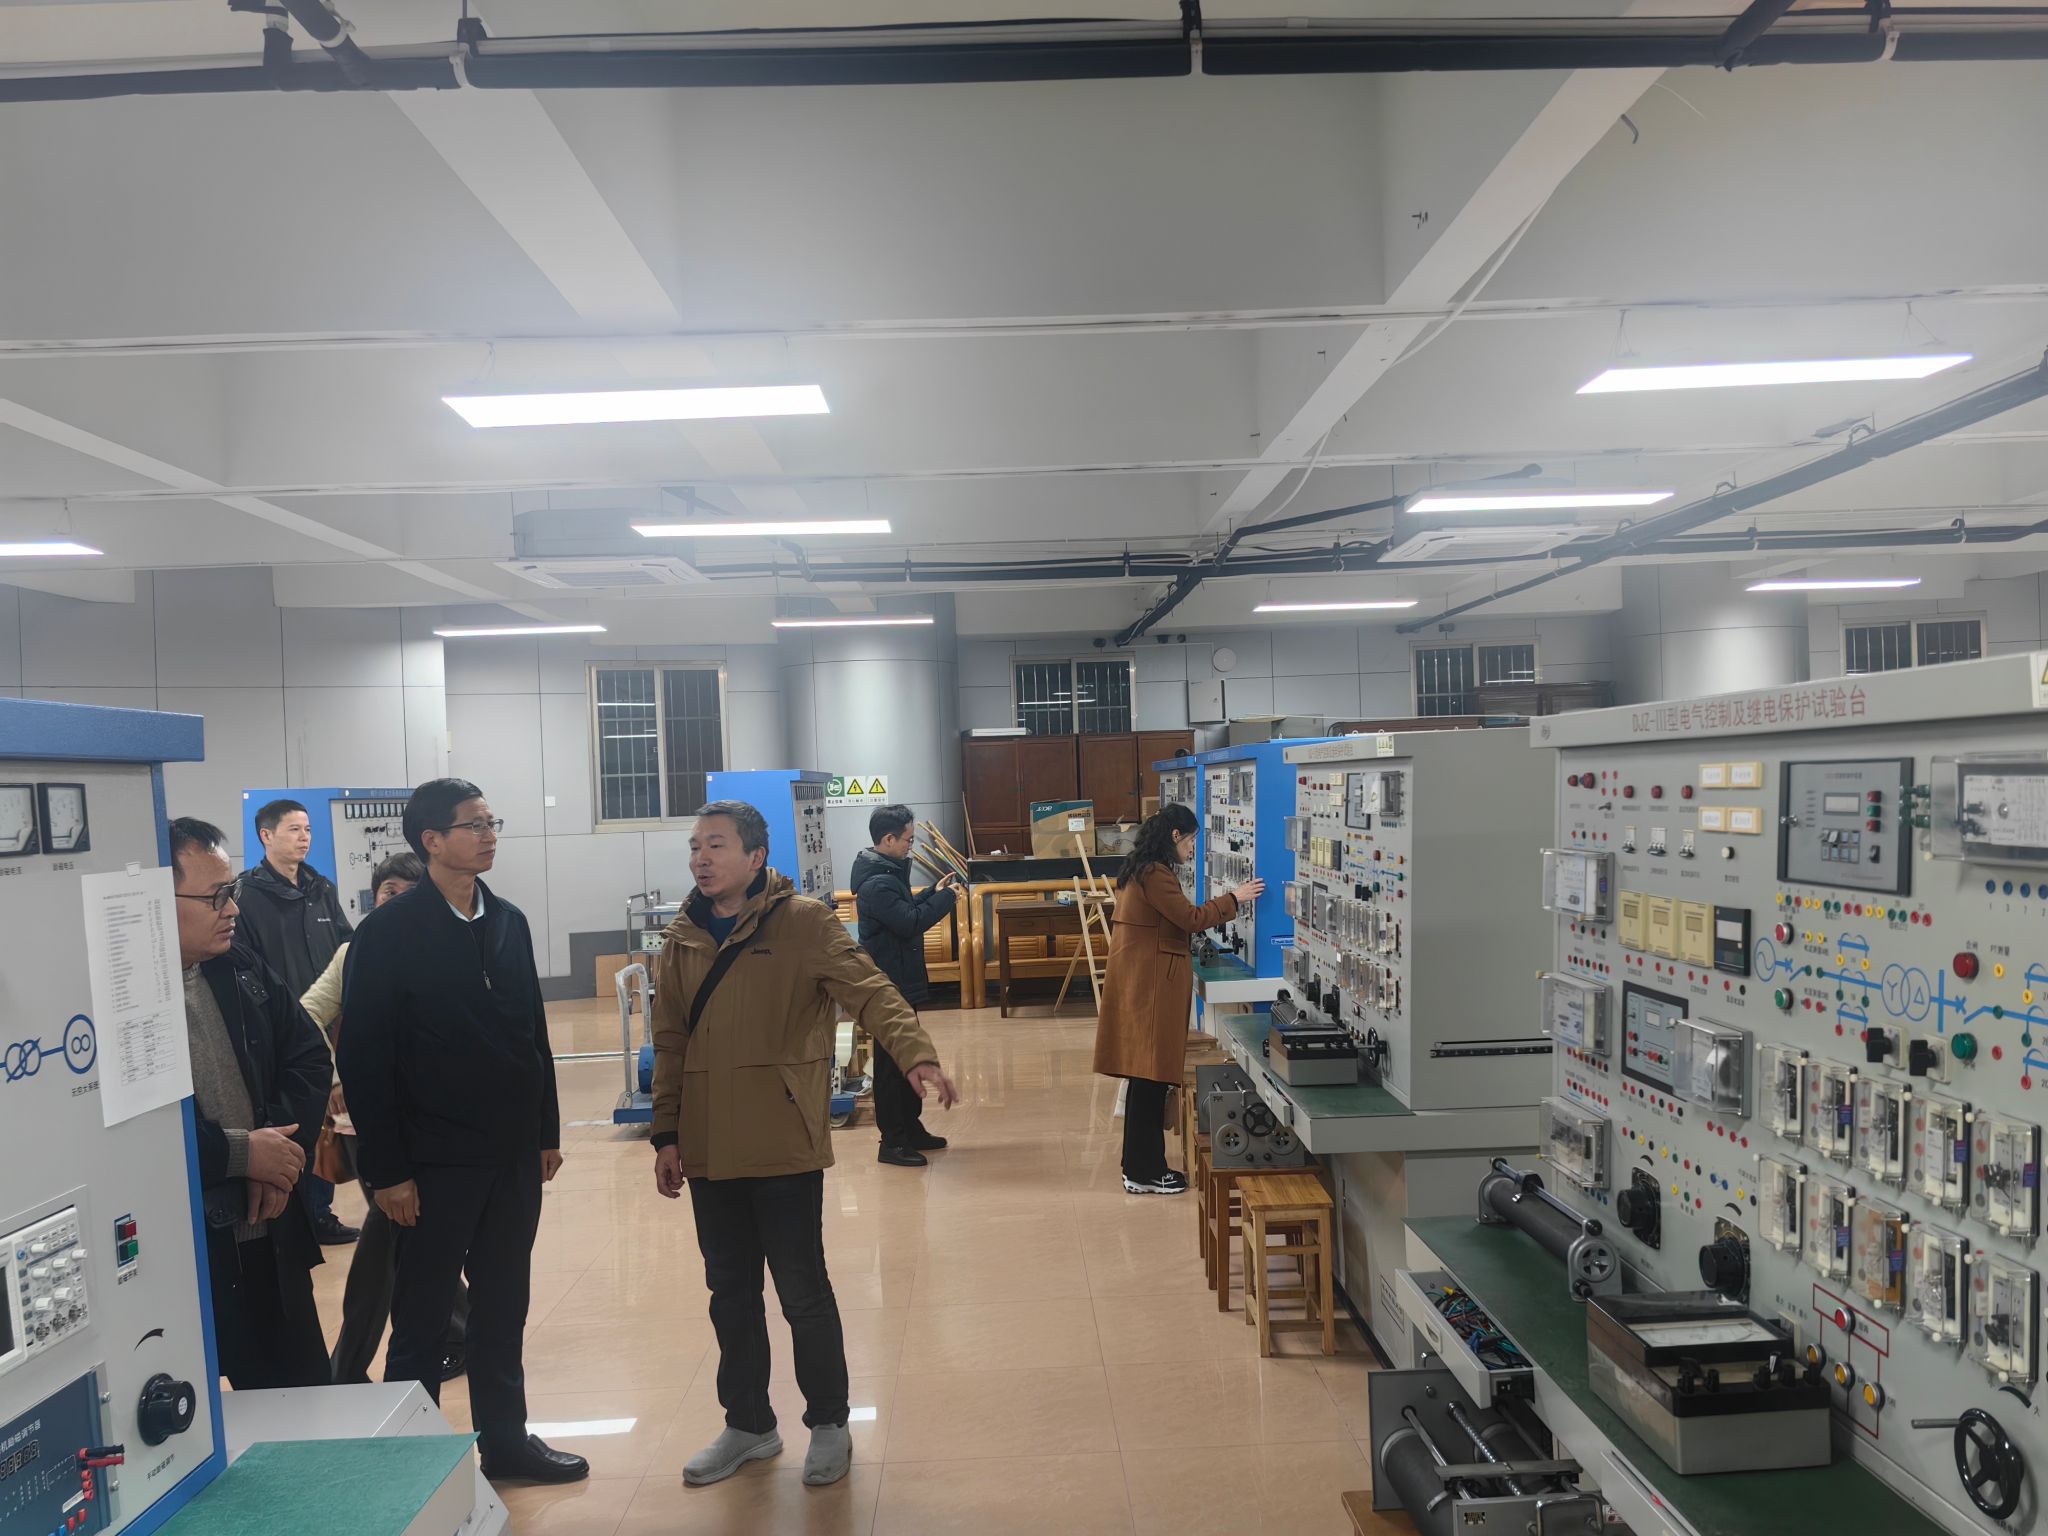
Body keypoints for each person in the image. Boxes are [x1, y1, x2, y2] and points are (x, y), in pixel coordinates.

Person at [650, 801, 959, 1491]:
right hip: (708, 1145)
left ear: (756, 856)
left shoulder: (805, 924)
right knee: (729, 1294)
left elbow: (872, 993)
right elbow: (670, 1042)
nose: (701, 858)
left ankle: (828, 1423)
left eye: (717, 845)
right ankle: (748, 1425)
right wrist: (666, 1132)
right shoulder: (683, 938)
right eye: (695, 846)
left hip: (782, 1140)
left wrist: (915, 1053)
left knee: (802, 1291)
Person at [338, 779, 587, 1485]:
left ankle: (505, 1445)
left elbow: (532, 1032)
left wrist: (545, 1129)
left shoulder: (507, 920)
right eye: (473, 825)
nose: (488, 834)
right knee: (421, 1318)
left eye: (491, 822)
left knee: (503, 1308)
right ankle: (410, 1465)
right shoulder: (387, 933)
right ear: (431, 841)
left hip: (511, 1158)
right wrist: (387, 1171)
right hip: (432, 1164)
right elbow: (364, 1058)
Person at [169, 816, 334, 1388]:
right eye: (215, 897)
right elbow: (139, 1132)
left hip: (271, 1236)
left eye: (231, 891)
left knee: (303, 1402)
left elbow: (308, 1055)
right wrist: (240, 1155)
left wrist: (277, 1158)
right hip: (190, 1253)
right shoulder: (117, 1005)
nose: (232, 909)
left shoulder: (237, 964)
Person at [302, 849, 470, 1387]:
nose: (393, 900)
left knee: (399, 1232)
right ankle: (356, 1364)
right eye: (386, 891)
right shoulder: (353, 952)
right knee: (395, 1229)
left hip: (434, 1125)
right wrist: (333, 1077)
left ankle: (360, 1363)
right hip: (368, 1127)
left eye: (405, 892)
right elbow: (306, 1015)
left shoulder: (447, 947)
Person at [1093, 804, 1264, 1195]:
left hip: (1144, 983)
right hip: (1151, 987)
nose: (1192, 849)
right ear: (1175, 836)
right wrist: (1235, 898)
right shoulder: (1156, 874)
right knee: (1149, 1080)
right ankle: (1145, 1172)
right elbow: (1190, 918)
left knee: (1145, 1079)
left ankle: (1138, 1167)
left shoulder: (1145, 868)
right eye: (1191, 841)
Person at [240, 797, 358, 1245]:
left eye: (307, 829)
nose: (304, 837)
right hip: (280, 1028)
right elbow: (243, 965)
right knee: (294, 1120)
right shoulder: (247, 896)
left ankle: (320, 1213)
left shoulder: (320, 888)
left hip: (325, 1026)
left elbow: (347, 946)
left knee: (328, 1120)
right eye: (294, 829)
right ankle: (296, 1217)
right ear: (266, 836)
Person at [850, 804, 963, 1167]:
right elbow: (909, 922)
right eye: (908, 840)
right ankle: (893, 1141)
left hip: (899, 979)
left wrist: (933, 891)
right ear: (888, 839)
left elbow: (907, 907)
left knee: (906, 1057)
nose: (910, 846)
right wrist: (947, 899)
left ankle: (911, 1129)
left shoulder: (886, 873)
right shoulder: (876, 883)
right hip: (888, 985)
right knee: (890, 1065)